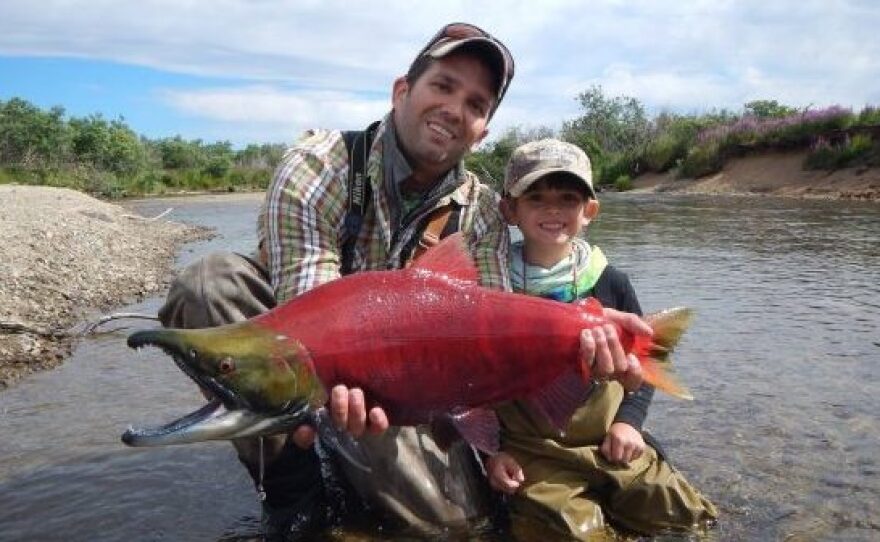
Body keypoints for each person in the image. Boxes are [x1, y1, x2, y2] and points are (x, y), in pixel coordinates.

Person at [159, 23, 649, 540]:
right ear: (401, 91)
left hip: (408, 386)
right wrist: (327, 401)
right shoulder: (318, 166)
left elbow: (487, 352)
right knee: (211, 281)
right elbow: (307, 315)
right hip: (321, 360)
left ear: (482, 131)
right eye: (442, 86)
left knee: (456, 528)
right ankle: (291, 488)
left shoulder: (480, 214)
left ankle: (353, 466)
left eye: (476, 104)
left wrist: (587, 334)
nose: (455, 109)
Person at [486, 139, 719, 539]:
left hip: (610, 442)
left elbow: (645, 368)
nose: (553, 210)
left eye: (568, 198)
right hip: (533, 452)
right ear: (510, 210)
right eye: (536, 198)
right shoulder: (494, 286)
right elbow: (474, 384)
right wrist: (491, 452)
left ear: (589, 211)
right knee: (570, 531)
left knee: (685, 514)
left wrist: (628, 423)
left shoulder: (610, 282)